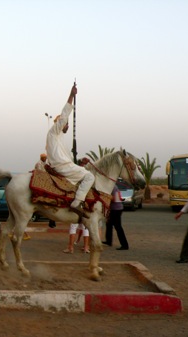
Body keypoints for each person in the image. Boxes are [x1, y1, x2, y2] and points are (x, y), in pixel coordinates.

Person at [46, 84, 94, 219]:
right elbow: (64, 115)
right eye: (66, 123)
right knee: (90, 177)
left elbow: (66, 157)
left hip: (65, 165)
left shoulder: (59, 139)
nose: (67, 125)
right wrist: (71, 95)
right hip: (62, 167)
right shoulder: (54, 132)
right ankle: (77, 203)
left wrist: (79, 162)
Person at [102, 184, 129, 250]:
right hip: (114, 209)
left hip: (116, 209)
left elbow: (115, 199)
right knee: (109, 224)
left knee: (118, 227)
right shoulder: (112, 187)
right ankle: (109, 241)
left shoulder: (113, 188)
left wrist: (105, 196)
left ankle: (124, 245)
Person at [34, 152, 56, 229]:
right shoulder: (38, 164)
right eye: (43, 157)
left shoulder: (47, 164)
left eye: (45, 157)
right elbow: (41, 173)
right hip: (42, 180)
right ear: (41, 158)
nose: (45, 158)